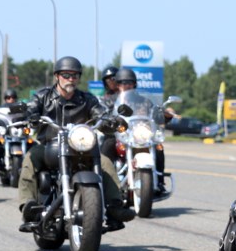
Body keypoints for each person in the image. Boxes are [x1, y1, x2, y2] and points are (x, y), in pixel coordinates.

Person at [17, 56, 134, 230]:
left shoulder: (87, 99)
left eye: (75, 75)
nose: (71, 79)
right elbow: (31, 108)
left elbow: (100, 113)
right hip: (51, 146)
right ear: (57, 76)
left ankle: (114, 206)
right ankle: (28, 206)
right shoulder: (43, 97)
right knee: (30, 158)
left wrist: (110, 120)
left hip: (81, 147)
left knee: (105, 162)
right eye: (66, 75)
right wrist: (30, 116)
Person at [108, 67, 174, 193]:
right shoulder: (111, 101)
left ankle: (159, 180)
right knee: (106, 147)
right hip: (120, 134)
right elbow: (101, 114)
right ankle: (109, 184)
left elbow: (156, 114)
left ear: (134, 84)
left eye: (129, 83)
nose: (126, 85)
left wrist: (166, 114)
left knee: (158, 147)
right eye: (122, 83)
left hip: (140, 134)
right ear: (117, 85)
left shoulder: (145, 101)